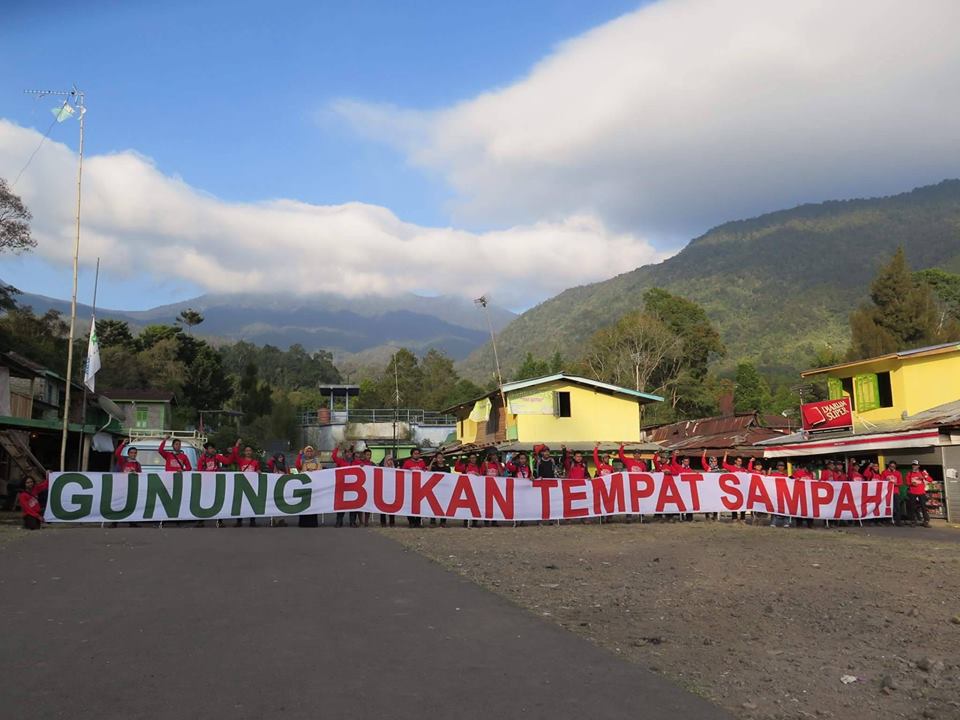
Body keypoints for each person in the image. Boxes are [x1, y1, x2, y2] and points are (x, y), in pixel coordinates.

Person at [234, 444, 261, 527]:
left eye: (249, 451)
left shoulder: (256, 462)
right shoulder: (241, 461)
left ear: (252, 452)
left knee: (252, 503)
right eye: (246, 451)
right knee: (240, 503)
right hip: (242, 484)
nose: (248, 452)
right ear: (244, 452)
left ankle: (252, 521)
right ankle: (239, 521)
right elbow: (235, 454)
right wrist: (237, 445)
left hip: (252, 485)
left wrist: (259, 471)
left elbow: (258, 470)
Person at [332, 444, 358, 527]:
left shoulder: (356, 462)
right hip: (342, 486)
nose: (348, 454)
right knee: (341, 504)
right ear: (345, 453)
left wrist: (362, 466)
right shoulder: (341, 461)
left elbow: (363, 465)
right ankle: (339, 521)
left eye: (350, 452)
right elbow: (334, 457)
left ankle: (352, 522)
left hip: (353, 487)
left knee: (353, 505)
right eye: (347, 452)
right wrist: (337, 448)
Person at [296, 445, 322, 527]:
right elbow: (298, 466)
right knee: (304, 503)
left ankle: (312, 523)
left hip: (314, 486)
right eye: (307, 451)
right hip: (304, 486)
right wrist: (299, 455)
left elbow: (320, 471)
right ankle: (303, 523)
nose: (309, 453)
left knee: (313, 503)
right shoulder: (302, 461)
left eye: (310, 451)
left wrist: (313, 471)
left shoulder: (316, 461)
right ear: (305, 452)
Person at [455, 453, 483, 527]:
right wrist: (458, 459)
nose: (473, 459)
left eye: (474, 458)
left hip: (476, 488)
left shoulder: (478, 467)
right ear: (469, 459)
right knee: (466, 506)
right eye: (472, 458)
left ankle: (474, 522)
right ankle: (465, 521)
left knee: (475, 505)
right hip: (466, 488)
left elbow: (482, 476)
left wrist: (478, 475)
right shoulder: (466, 466)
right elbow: (456, 468)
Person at [403, 449, 427, 527]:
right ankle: (411, 521)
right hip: (409, 487)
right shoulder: (407, 462)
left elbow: (426, 472)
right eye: (415, 453)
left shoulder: (422, 462)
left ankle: (418, 521)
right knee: (409, 505)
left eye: (418, 453)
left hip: (420, 487)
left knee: (420, 505)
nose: (417, 455)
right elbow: (402, 473)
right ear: (411, 454)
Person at [722, 452, 747, 523]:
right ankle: (734, 518)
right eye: (738, 461)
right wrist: (726, 455)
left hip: (742, 489)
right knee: (734, 504)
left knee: (743, 504)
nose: (739, 462)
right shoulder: (732, 467)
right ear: (735, 461)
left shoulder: (743, 469)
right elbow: (724, 464)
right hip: (734, 490)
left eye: (741, 461)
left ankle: (742, 518)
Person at [428, 453, 451, 527]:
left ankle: (443, 521)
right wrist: (432, 462)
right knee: (433, 505)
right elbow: (428, 471)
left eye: (441, 457)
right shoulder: (434, 467)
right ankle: (432, 521)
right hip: (435, 488)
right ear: (436, 458)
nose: (440, 459)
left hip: (444, 489)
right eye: (438, 457)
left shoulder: (447, 468)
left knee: (444, 505)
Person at [905, 461, 931, 527]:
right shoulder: (909, 473)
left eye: (916, 465)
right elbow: (907, 482)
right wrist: (911, 483)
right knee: (912, 507)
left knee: (923, 507)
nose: (914, 466)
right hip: (912, 493)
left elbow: (930, 479)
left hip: (921, 493)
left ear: (919, 466)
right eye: (913, 465)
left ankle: (926, 521)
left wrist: (923, 477)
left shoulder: (922, 472)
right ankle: (913, 521)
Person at [880, 461, 904, 526]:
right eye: (891, 466)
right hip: (887, 492)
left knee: (897, 507)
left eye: (893, 466)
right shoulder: (884, 472)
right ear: (889, 466)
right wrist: (887, 482)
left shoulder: (898, 473)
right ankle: (888, 520)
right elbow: (881, 481)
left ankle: (898, 521)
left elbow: (901, 483)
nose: (892, 467)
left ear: (895, 466)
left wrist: (895, 484)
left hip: (895, 492)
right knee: (888, 507)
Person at [768, 461, 791, 528]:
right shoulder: (774, 474)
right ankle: (773, 522)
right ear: (777, 467)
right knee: (775, 508)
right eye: (779, 465)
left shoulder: (786, 475)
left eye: (782, 466)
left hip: (784, 494)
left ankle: (786, 523)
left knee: (786, 508)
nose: (781, 467)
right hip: (775, 493)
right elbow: (768, 479)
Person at [379, 454, 398, 527]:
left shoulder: (395, 469)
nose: (390, 461)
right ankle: (383, 522)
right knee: (382, 506)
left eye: (391, 460)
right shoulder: (381, 469)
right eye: (389, 460)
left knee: (392, 506)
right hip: (383, 490)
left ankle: (392, 522)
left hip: (392, 490)